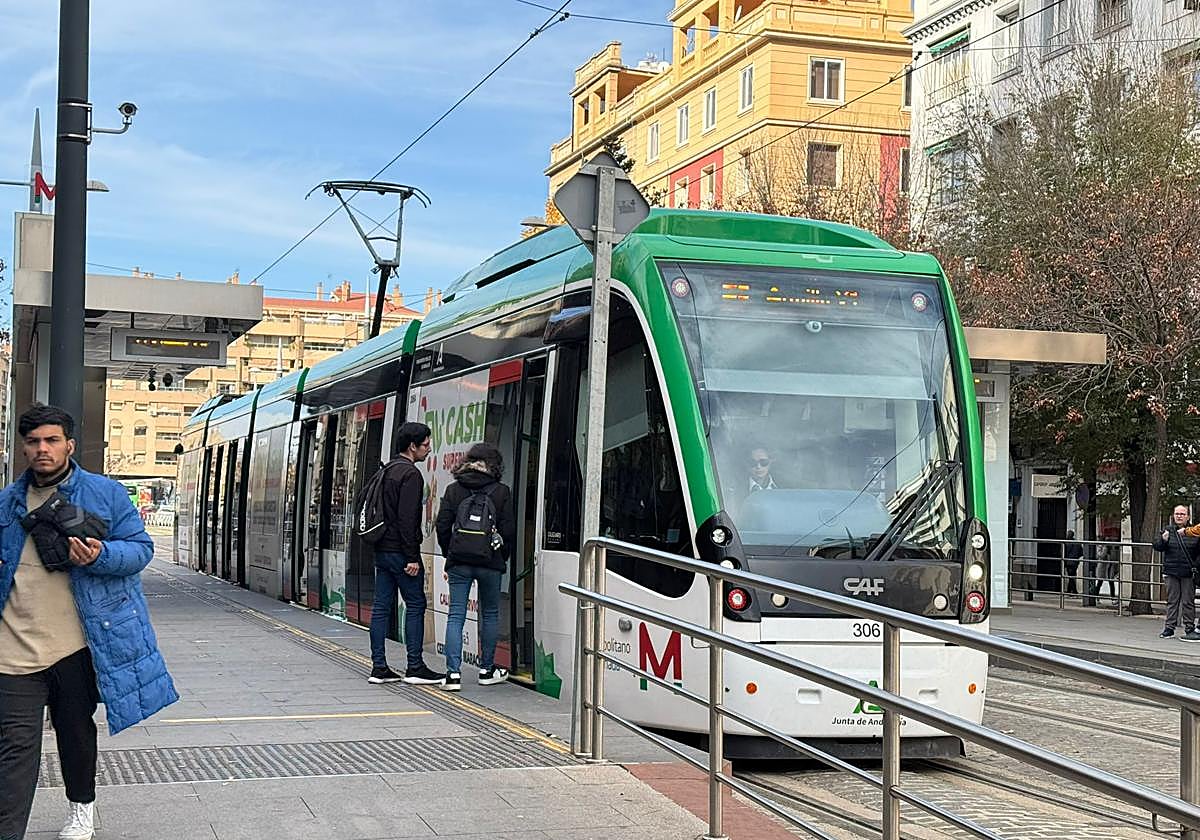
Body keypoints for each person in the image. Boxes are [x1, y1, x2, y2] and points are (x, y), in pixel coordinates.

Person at [0, 404, 177, 840]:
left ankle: (81, 809)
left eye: (51, 440)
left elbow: (140, 550)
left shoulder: (106, 494)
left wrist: (101, 555)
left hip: (78, 645)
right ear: (23, 448)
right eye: (34, 442)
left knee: (75, 734)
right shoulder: (6, 502)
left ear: (69, 445)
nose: (43, 449)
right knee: (14, 751)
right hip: (14, 647)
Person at [367, 422, 445, 686]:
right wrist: (412, 556)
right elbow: (407, 519)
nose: (429, 449)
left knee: (380, 607)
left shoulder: (387, 469)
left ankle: (379, 667)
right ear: (412, 446)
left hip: (382, 549)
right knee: (416, 604)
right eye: (425, 444)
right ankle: (415, 666)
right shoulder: (410, 475)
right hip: (402, 553)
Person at [435, 443, 516, 692]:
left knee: (456, 614)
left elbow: (442, 525)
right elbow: (509, 530)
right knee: (490, 613)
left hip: (459, 561)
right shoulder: (502, 491)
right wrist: (501, 555)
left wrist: (451, 552)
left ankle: (453, 674)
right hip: (490, 561)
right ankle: (486, 670)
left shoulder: (453, 490)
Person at [1159, 505, 1200, 641]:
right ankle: (1169, 628)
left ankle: (1189, 627)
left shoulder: (1193, 532)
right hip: (1171, 571)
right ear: (1173, 515)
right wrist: (1163, 540)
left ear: (1188, 516)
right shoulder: (1167, 530)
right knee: (1172, 601)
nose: (1179, 516)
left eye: (1182, 514)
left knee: (1188, 601)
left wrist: (1196, 566)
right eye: (1177, 514)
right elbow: (1157, 546)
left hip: (1188, 572)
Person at [1063, 530, 1083, 595]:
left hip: (1069, 562)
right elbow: (1081, 552)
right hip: (1075, 562)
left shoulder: (1066, 543)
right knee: (1072, 576)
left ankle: (1074, 591)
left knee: (1071, 576)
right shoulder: (1077, 543)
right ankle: (1069, 590)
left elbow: (1064, 553)